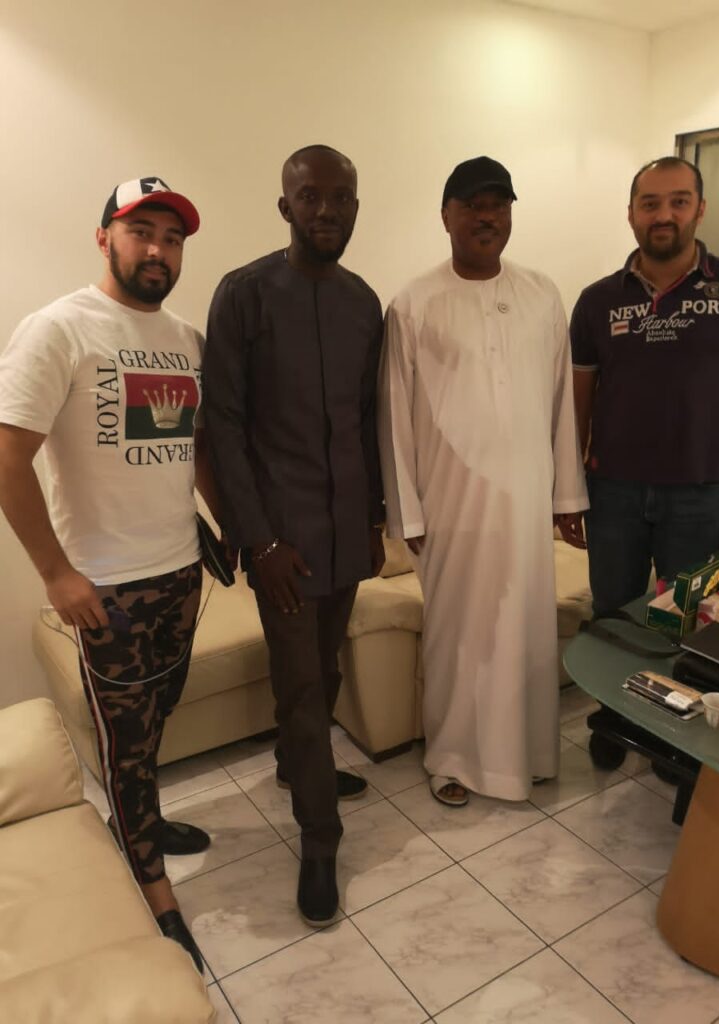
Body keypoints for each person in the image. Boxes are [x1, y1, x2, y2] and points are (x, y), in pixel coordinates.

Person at [0, 177, 219, 973]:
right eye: (141, 232)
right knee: (125, 746)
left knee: (156, 721)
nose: (158, 249)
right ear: (105, 239)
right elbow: (8, 458)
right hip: (107, 590)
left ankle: (145, 825)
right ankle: (154, 893)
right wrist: (56, 574)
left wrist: (226, 529)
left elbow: (194, 448)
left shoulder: (187, 339)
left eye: (172, 237)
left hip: (181, 574)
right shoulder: (58, 329)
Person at [203, 145, 385, 925]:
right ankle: (319, 836)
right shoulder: (243, 294)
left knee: (326, 667)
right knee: (302, 685)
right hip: (284, 541)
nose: (326, 210)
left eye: (340, 198)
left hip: (346, 532)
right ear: (285, 207)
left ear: (355, 208)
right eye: (311, 197)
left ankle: (293, 763)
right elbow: (223, 424)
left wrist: (374, 518)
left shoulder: (364, 303)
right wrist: (258, 541)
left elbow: (368, 421)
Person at [378, 156, 588, 808]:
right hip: (451, 506)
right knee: (457, 637)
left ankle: (531, 757)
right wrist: (407, 514)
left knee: (526, 628)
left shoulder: (542, 294)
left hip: (525, 502)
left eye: (498, 204)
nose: (486, 216)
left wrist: (566, 497)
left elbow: (562, 404)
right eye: (472, 204)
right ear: (446, 216)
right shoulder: (413, 303)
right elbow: (394, 416)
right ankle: (452, 759)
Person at [570, 156, 719, 617]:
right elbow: (577, 408)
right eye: (650, 204)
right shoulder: (597, 301)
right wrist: (569, 491)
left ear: (700, 208)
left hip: (702, 495)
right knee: (612, 620)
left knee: (690, 627)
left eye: (679, 202)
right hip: (612, 494)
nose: (663, 215)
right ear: (631, 214)